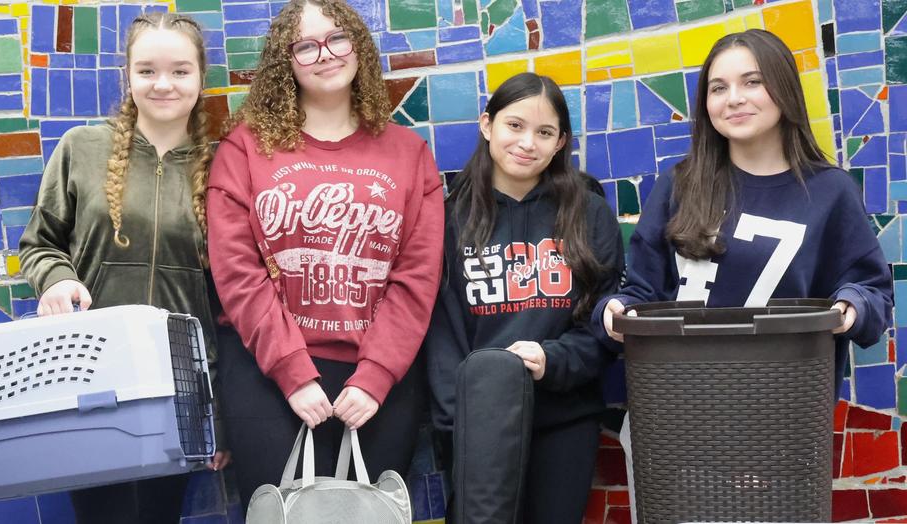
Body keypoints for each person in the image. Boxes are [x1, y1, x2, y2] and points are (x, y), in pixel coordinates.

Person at [590, 29, 894, 523]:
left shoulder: (830, 191)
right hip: (675, 429)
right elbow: (641, 291)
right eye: (718, 87)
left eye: (751, 82)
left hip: (779, 431)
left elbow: (873, 293)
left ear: (783, 88)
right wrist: (614, 311)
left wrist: (849, 308)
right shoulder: (678, 184)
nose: (734, 99)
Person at [205, 0, 444, 508]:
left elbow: (417, 278)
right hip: (266, 377)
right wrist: (291, 371)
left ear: (358, 46)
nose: (325, 54)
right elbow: (237, 271)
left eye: (338, 38)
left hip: (380, 380)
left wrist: (376, 376)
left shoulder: (409, 153)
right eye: (306, 45)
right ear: (285, 62)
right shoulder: (245, 149)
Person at [18, 12, 228, 524]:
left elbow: (231, 299)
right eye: (147, 70)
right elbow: (38, 244)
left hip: (180, 389)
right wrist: (57, 278)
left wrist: (217, 407)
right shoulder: (80, 149)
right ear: (127, 77)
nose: (163, 84)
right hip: (89, 377)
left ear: (201, 78)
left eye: (180, 71)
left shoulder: (224, 166)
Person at [425, 72, 625, 524]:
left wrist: (553, 360)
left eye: (545, 132)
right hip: (477, 424)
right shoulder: (448, 219)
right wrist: (457, 420)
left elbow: (605, 321)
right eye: (515, 125)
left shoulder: (589, 212)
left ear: (560, 143)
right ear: (487, 124)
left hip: (564, 416)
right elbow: (440, 330)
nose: (527, 142)